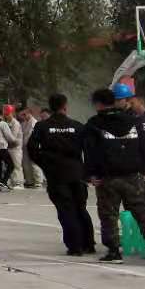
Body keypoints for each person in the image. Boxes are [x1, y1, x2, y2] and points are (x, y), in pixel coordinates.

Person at [84, 84, 145, 264]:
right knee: (141, 210)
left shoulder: (94, 124)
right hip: (133, 175)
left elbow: (90, 150)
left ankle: (113, 252)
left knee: (109, 214)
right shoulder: (134, 120)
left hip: (108, 178)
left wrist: (91, 174)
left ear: (98, 104)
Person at [27, 93, 96, 255]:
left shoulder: (42, 126)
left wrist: (45, 163)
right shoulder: (78, 126)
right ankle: (88, 243)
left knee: (66, 210)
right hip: (76, 172)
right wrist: (87, 171)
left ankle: (75, 246)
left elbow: (31, 148)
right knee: (80, 208)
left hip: (56, 174)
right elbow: (90, 149)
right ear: (65, 106)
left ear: (50, 108)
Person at [19, 106, 42, 188]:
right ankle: (29, 181)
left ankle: (38, 181)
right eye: (22, 115)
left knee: (34, 164)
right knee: (26, 164)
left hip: (33, 146)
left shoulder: (35, 123)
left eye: (25, 114)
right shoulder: (23, 123)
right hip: (24, 146)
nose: (23, 116)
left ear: (30, 113)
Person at [4, 105, 24, 190]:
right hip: (9, 148)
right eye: (5, 114)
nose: (6, 116)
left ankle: (19, 183)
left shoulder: (15, 123)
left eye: (8, 114)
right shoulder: (6, 123)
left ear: (12, 113)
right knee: (11, 166)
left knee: (17, 165)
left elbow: (12, 137)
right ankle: (13, 182)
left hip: (16, 148)